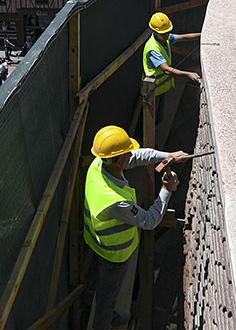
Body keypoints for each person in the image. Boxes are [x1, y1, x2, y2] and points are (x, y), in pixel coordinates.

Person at [83, 125, 188, 330]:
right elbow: (149, 221)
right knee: (106, 299)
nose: (132, 154)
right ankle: (104, 323)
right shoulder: (115, 201)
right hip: (114, 255)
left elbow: (138, 156)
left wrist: (168, 156)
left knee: (106, 290)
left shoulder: (100, 163)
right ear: (120, 160)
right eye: (127, 153)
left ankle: (109, 314)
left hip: (96, 241)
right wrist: (166, 190)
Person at [142, 12, 201, 117]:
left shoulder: (165, 38)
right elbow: (166, 70)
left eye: (168, 32)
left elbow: (184, 37)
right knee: (151, 120)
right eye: (163, 33)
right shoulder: (153, 48)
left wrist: (202, 34)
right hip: (152, 91)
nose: (166, 35)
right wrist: (188, 74)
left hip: (161, 88)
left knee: (159, 117)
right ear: (154, 31)